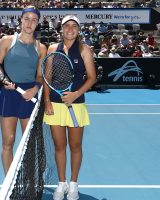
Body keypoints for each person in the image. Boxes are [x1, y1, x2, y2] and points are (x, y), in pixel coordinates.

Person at [43, 15, 97, 200]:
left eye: (74, 26)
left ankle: (73, 184)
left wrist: (75, 94)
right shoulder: (52, 49)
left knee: (75, 146)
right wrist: (47, 101)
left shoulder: (85, 50)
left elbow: (92, 77)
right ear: (61, 29)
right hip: (55, 106)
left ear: (78, 29)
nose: (70, 29)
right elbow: (47, 78)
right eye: (67, 25)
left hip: (77, 105)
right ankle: (61, 183)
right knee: (59, 146)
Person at [0, 5, 47, 175]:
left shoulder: (42, 48)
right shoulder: (6, 41)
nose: (30, 23)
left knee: (28, 143)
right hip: (9, 94)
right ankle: (9, 181)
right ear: (21, 20)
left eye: (34, 20)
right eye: (27, 19)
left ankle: (29, 180)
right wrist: (3, 79)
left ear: (37, 23)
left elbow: (40, 76)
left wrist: (35, 88)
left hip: (28, 96)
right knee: (8, 141)